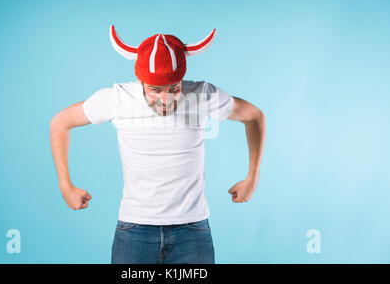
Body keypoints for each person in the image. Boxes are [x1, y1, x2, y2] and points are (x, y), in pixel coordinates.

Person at [49, 26, 266, 264]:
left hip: (192, 231)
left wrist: (252, 178)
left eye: (174, 88)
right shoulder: (118, 98)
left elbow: (254, 116)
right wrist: (65, 186)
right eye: (155, 90)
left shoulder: (202, 95)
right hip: (134, 231)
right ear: (141, 81)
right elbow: (60, 123)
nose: (166, 100)